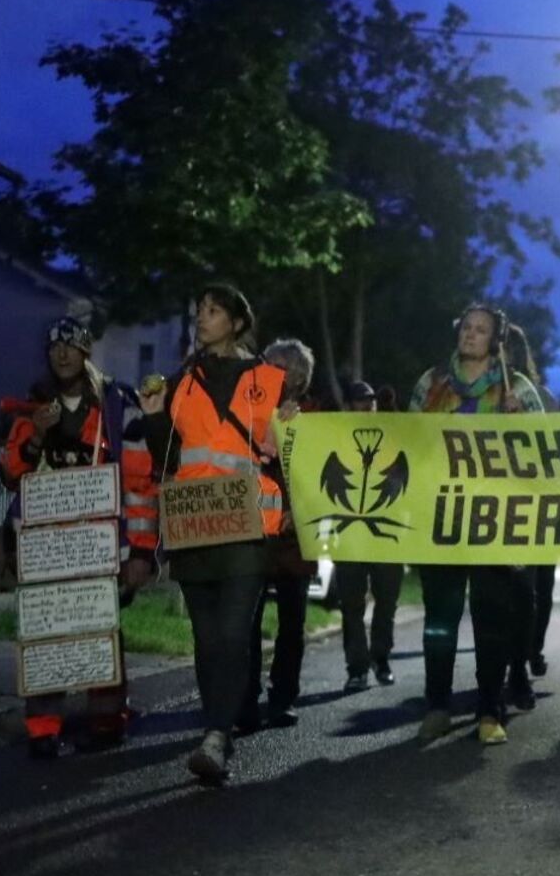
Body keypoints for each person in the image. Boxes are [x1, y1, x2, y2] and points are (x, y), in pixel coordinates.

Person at [140, 283, 288, 784]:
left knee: (232, 632)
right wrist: (155, 416)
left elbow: (288, 455)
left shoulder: (269, 380)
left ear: (237, 323)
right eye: (199, 309)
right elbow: (167, 459)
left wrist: (290, 435)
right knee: (207, 639)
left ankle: (218, 735)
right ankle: (215, 729)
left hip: (247, 525)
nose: (201, 318)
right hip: (194, 524)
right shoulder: (182, 380)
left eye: (213, 311)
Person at [0, 317, 161, 758]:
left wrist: (143, 551)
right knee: (44, 628)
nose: (62, 354)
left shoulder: (117, 407)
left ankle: (108, 719)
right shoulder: (33, 406)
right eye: (54, 347)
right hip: (45, 546)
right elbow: (12, 474)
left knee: (99, 626)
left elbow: (141, 482)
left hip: (98, 544)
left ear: (87, 351)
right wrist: (36, 437)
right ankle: (42, 728)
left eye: (71, 345)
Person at [409, 303, 545, 746]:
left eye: (480, 330)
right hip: (442, 516)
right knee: (440, 618)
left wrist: (520, 422)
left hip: (495, 519)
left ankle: (490, 709)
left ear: (496, 341)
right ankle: (437, 706)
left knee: (493, 618)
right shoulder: (431, 385)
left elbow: (545, 449)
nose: (470, 334)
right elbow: (408, 442)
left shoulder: (518, 389)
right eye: (465, 327)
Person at [244, 337, 316, 730]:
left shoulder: (312, 419)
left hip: (293, 539)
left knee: (292, 623)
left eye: (277, 367)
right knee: (249, 620)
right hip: (254, 532)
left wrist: (299, 510)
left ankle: (283, 697)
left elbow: (318, 478)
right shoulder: (248, 408)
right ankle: (245, 699)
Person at [332, 379, 404, 692]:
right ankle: (357, 668)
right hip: (348, 534)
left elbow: (414, 448)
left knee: (387, 601)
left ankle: (381, 658)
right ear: (348, 406)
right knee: (352, 605)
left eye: (371, 401)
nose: (368, 406)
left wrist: (393, 413)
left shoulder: (391, 433)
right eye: (361, 401)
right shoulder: (332, 437)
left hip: (387, 535)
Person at [504, 322, 557, 680]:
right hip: (498, 505)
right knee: (508, 589)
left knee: (540, 585)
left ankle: (531, 648)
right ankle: (512, 657)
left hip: (540, 502)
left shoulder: (544, 398)